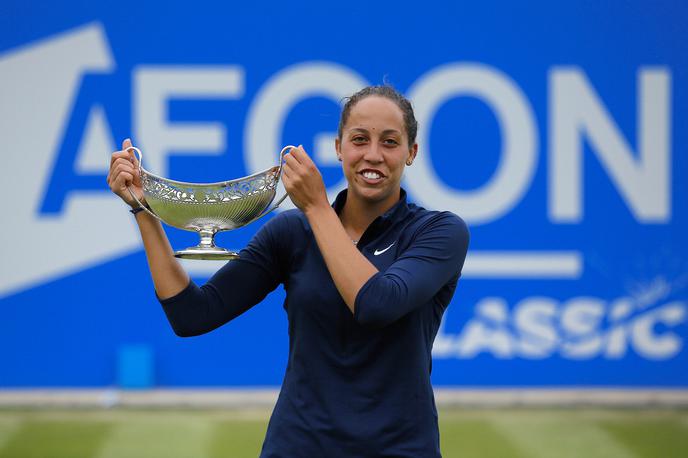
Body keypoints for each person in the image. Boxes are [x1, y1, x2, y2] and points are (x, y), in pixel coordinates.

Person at [108, 85, 469, 457]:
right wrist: (143, 209)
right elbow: (192, 316)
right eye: (359, 140)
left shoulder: (438, 232)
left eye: (390, 142)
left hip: (400, 448)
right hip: (298, 446)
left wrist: (316, 208)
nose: (373, 155)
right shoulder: (292, 232)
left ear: (411, 152)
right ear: (338, 148)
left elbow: (376, 303)